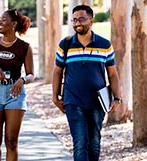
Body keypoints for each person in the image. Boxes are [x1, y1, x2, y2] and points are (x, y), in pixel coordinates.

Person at [52, 5, 122, 161]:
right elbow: (57, 71)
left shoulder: (105, 45)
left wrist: (117, 98)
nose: (77, 23)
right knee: (80, 142)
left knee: (94, 142)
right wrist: (55, 97)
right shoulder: (66, 44)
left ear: (91, 20)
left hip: (97, 102)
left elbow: (113, 74)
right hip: (73, 100)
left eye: (81, 19)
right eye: (75, 20)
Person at [0, 9, 34, 161]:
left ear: (14, 24)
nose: (0, 22)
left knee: (11, 141)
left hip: (15, 94)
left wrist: (23, 80)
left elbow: (31, 75)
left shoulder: (25, 47)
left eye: (4, 20)